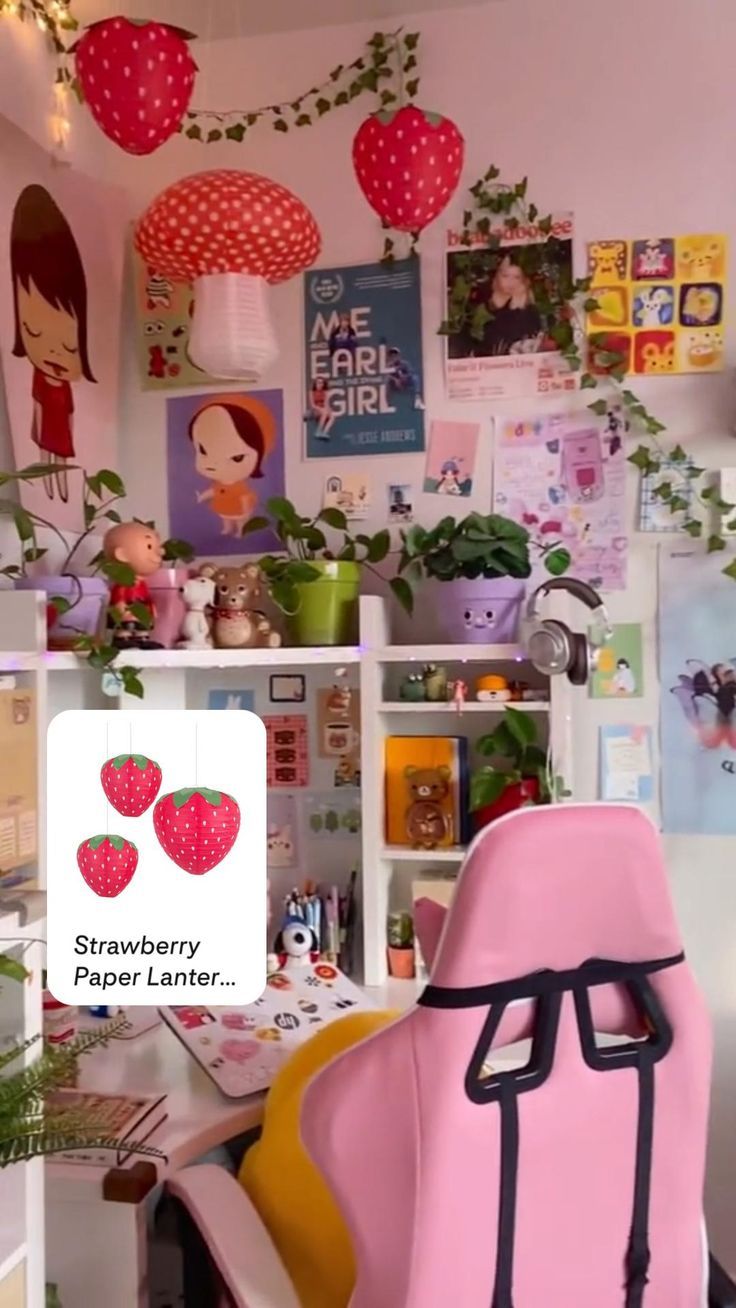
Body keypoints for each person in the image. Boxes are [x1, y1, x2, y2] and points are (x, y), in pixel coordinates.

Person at [10, 184, 96, 502]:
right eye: (32, 331)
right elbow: (36, 406)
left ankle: (60, 491)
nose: (53, 352)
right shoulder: (38, 380)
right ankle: (49, 490)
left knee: (60, 462)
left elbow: (70, 413)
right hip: (46, 430)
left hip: (61, 429)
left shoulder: (66, 387)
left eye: (71, 347)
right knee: (47, 459)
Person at [188, 394, 276, 536]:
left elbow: (245, 497)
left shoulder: (239, 486)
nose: (214, 463)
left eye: (237, 458)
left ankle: (241, 530)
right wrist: (202, 497)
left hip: (237, 509)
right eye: (203, 450)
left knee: (240, 521)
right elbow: (213, 492)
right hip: (224, 508)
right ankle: (227, 528)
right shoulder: (218, 484)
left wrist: (247, 509)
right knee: (226, 519)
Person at [465, 254, 543, 358]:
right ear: (497, 277)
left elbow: (529, 339)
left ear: (523, 281)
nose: (510, 282)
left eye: (516, 277)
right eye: (505, 276)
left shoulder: (530, 311)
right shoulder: (481, 305)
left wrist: (517, 307)